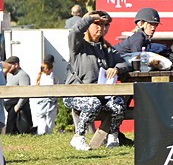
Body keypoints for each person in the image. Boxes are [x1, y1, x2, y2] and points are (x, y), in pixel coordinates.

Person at [63, 10, 131, 151]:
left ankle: (112, 136)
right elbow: (74, 32)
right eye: (97, 24)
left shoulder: (106, 48)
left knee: (119, 103)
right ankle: (78, 137)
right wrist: (90, 18)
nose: (101, 27)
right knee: (92, 103)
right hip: (75, 93)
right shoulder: (78, 45)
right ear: (88, 24)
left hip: (100, 94)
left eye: (105, 24)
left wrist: (117, 69)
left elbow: (125, 63)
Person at [3, 57, 34, 135]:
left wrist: (18, 106)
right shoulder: (9, 75)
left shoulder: (23, 75)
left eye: (9, 65)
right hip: (10, 107)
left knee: (22, 131)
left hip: (20, 109)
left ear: (16, 65)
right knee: (10, 131)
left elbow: (25, 93)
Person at [31, 57, 59, 135]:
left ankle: (41, 132)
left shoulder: (39, 76)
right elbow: (53, 85)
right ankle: (47, 134)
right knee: (50, 120)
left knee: (41, 118)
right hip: (49, 101)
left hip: (40, 102)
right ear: (47, 70)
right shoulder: (49, 77)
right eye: (51, 69)